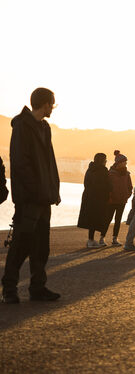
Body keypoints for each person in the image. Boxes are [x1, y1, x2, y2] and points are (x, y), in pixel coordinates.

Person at [2, 88, 61, 303]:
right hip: (29, 198)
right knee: (21, 243)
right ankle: (9, 288)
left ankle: (38, 287)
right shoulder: (22, 126)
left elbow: (49, 162)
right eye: (52, 104)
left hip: (44, 196)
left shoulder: (44, 127)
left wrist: (54, 190)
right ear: (44, 104)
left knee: (41, 245)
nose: (52, 108)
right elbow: (20, 163)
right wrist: (36, 191)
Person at [77, 153, 111, 248]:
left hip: (88, 197)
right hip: (99, 198)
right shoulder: (103, 170)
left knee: (91, 219)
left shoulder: (90, 169)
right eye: (105, 159)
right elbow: (107, 185)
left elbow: (86, 183)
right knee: (99, 218)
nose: (106, 161)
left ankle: (90, 240)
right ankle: (95, 240)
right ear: (102, 160)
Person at [102, 150, 133, 246]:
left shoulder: (127, 174)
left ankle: (115, 238)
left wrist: (127, 196)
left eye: (126, 162)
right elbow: (106, 187)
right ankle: (101, 238)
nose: (125, 163)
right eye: (124, 162)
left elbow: (130, 186)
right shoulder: (110, 173)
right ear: (119, 163)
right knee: (108, 219)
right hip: (111, 201)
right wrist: (109, 197)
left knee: (118, 220)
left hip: (122, 201)